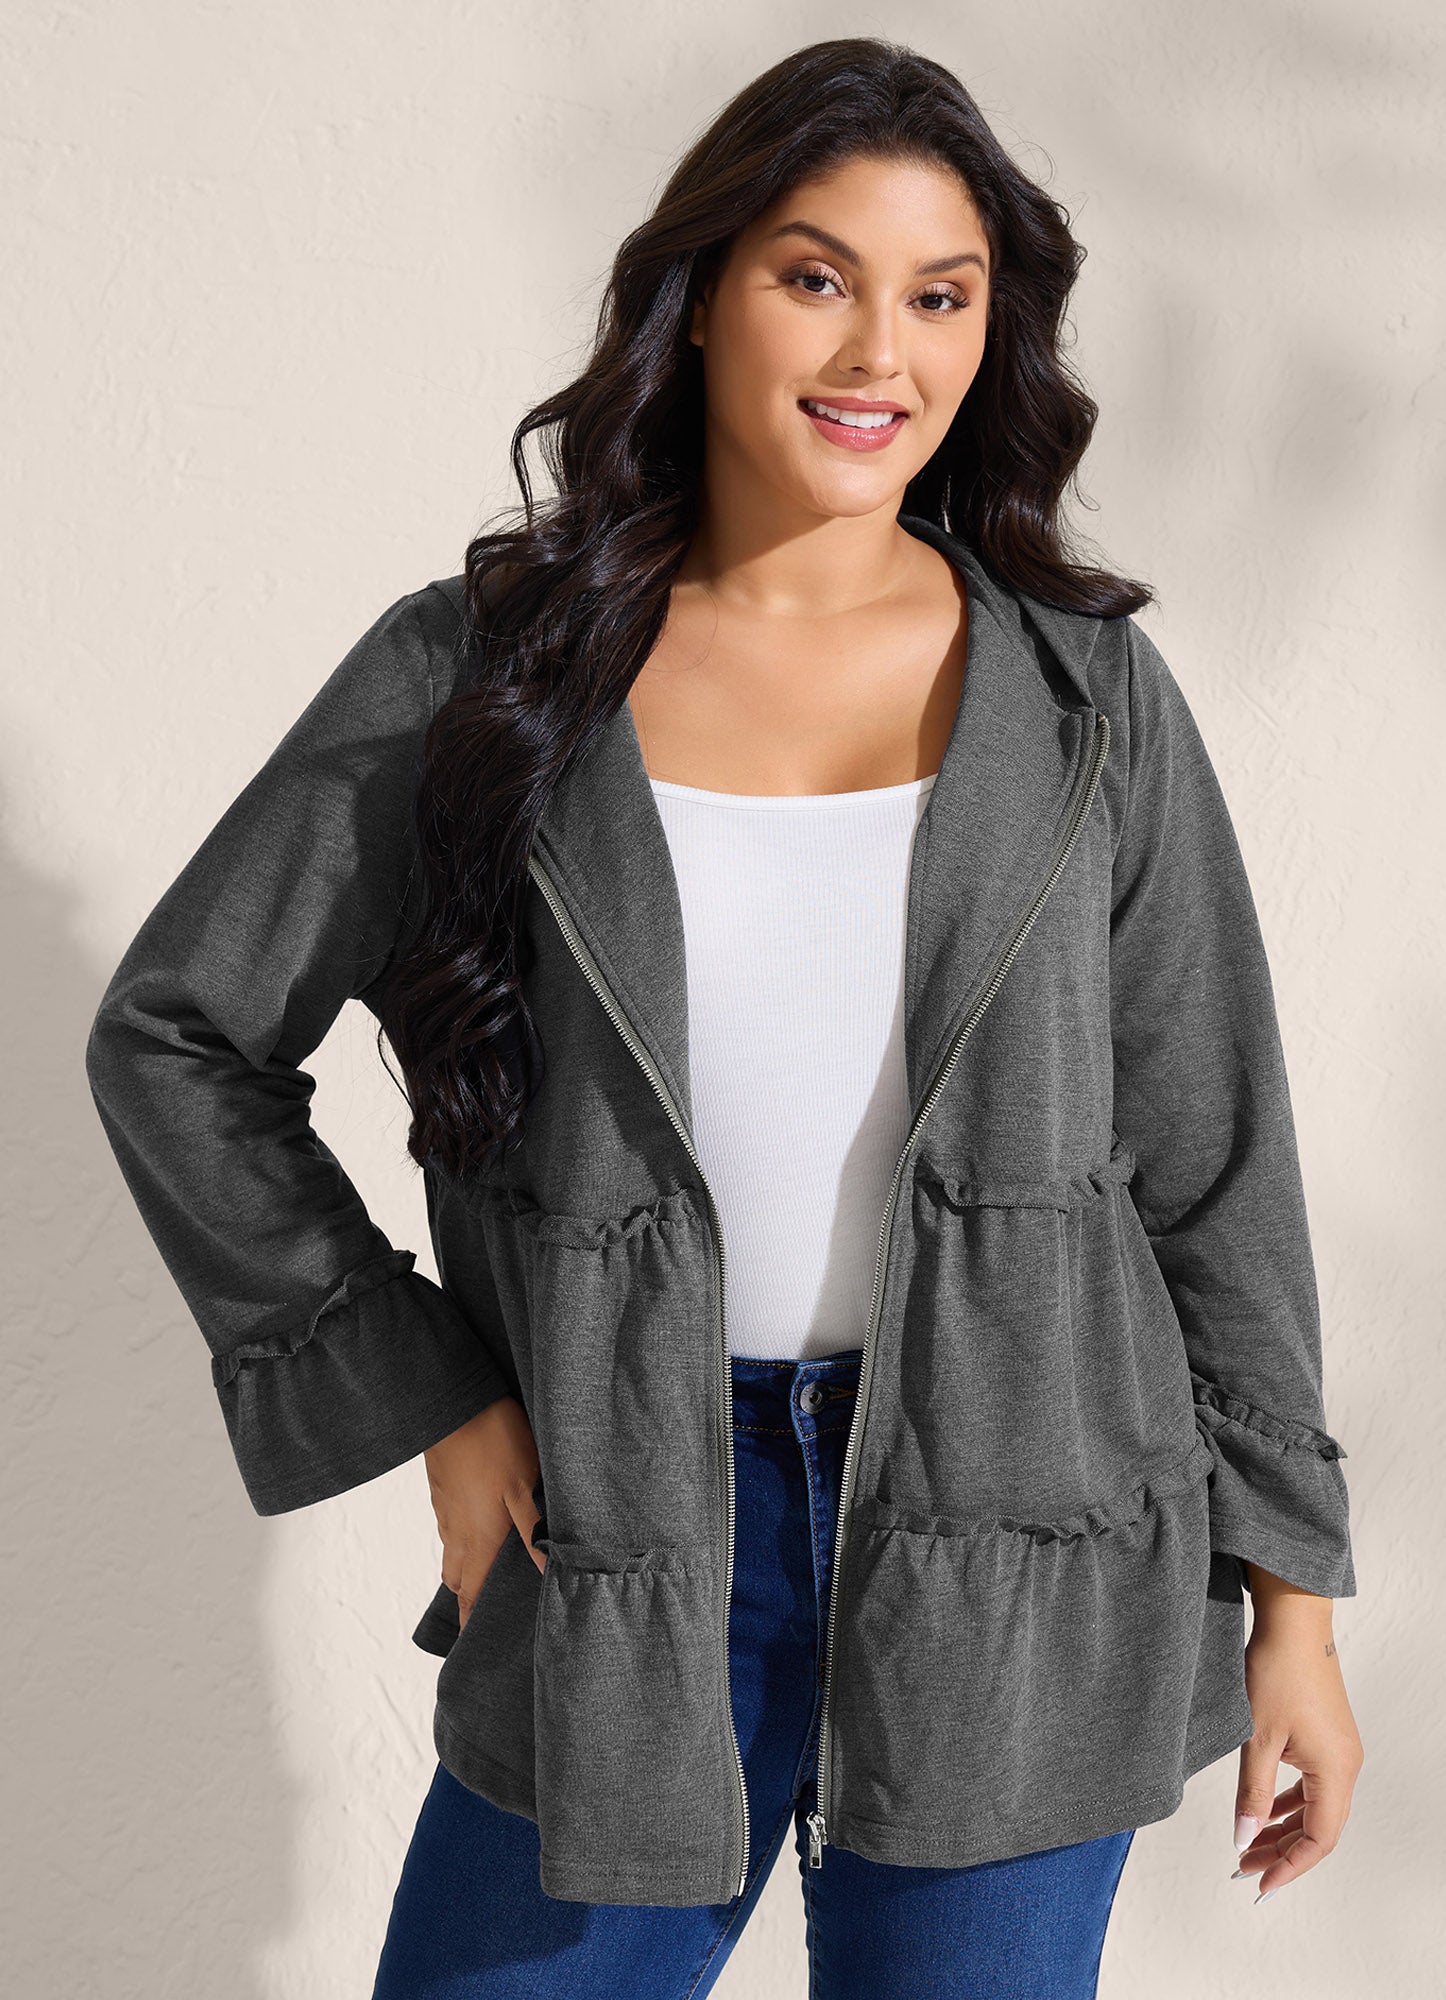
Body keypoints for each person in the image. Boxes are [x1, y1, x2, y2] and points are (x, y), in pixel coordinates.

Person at [84, 36, 1362, 1999]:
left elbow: (1212, 1163)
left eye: (942, 297)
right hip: (621, 1514)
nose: (880, 352)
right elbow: (178, 1035)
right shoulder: (481, 670)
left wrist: (1297, 1613)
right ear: (700, 301)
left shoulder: (1085, 696)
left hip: (1031, 1530)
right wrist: (430, 1392)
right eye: (816, 275)